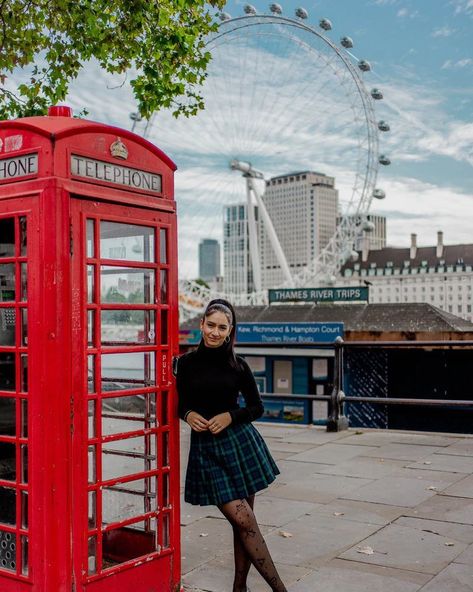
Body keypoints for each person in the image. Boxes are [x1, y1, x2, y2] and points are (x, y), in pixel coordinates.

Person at [177, 299, 288, 592]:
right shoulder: (185, 364)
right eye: (210, 325)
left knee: (243, 524)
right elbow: (179, 403)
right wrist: (188, 415)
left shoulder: (238, 366)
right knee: (244, 520)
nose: (214, 332)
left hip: (240, 444)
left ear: (230, 331)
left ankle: (240, 587)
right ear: (201, 325)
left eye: (221, 327)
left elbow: (257, 407)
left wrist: (230, 416)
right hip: (207, 451)